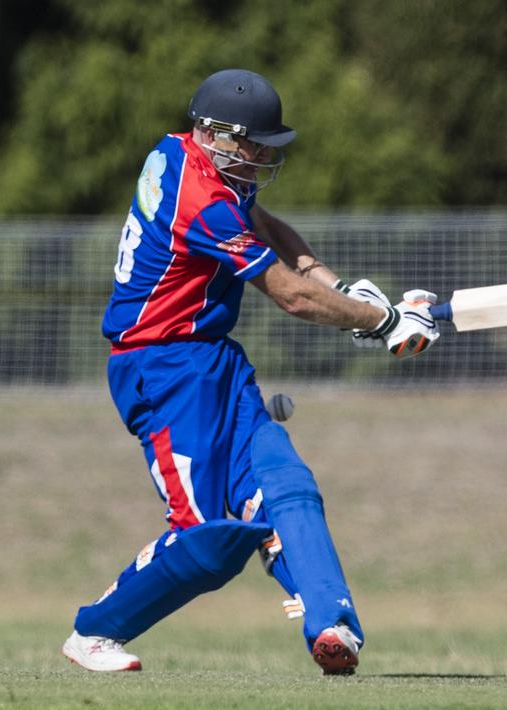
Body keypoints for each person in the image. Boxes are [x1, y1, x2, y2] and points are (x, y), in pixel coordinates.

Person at [62, 68, 439, 676]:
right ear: (215, 134)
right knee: (207, 540)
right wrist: (379, 321)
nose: (264, 155)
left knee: (288, 486)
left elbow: (265, 227)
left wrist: (344, 288)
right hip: (162, 370)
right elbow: (290, 296)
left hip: (213, 360)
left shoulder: (191, 157)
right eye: (255, 143)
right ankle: (95, 632)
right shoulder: (200, 198)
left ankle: (332, 625)